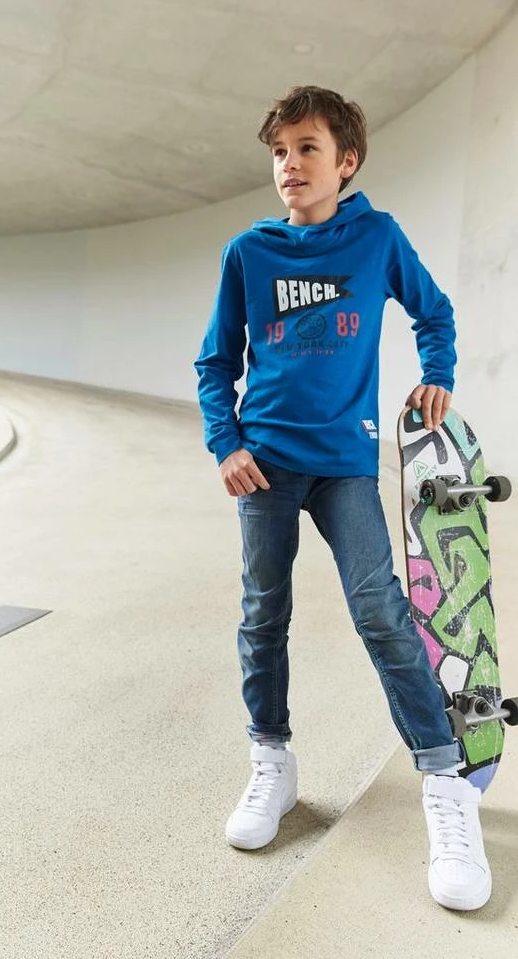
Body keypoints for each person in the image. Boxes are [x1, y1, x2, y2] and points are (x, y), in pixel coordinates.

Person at [194, 85, 491, 912]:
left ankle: (443, 779)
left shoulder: (376, 237)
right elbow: (215, 361)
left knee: (380, 608)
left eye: (306, 148)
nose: (289, 164)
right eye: (278, 151)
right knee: (263, 612)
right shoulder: (248, 252)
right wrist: (225, 443)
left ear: (345, 161)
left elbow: (433, 314)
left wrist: (437, 376)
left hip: (344, 466)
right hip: (264, 465)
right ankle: (271, 763)